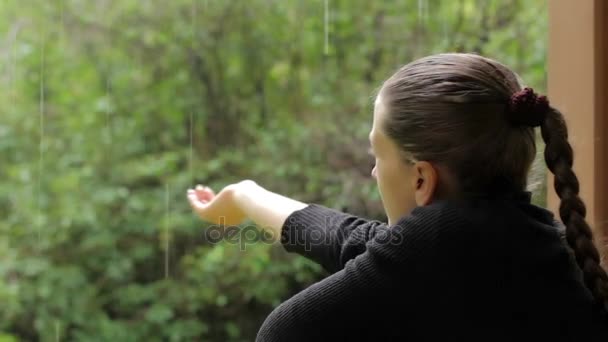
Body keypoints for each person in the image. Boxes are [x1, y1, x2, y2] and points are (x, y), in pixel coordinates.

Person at [186, 53, 608, 341]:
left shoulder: (424, 268)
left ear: (422, 179)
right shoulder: (542, 250)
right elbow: (348, 239)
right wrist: (245, 195)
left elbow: (286, 329)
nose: (373, 171)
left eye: (377, 154)